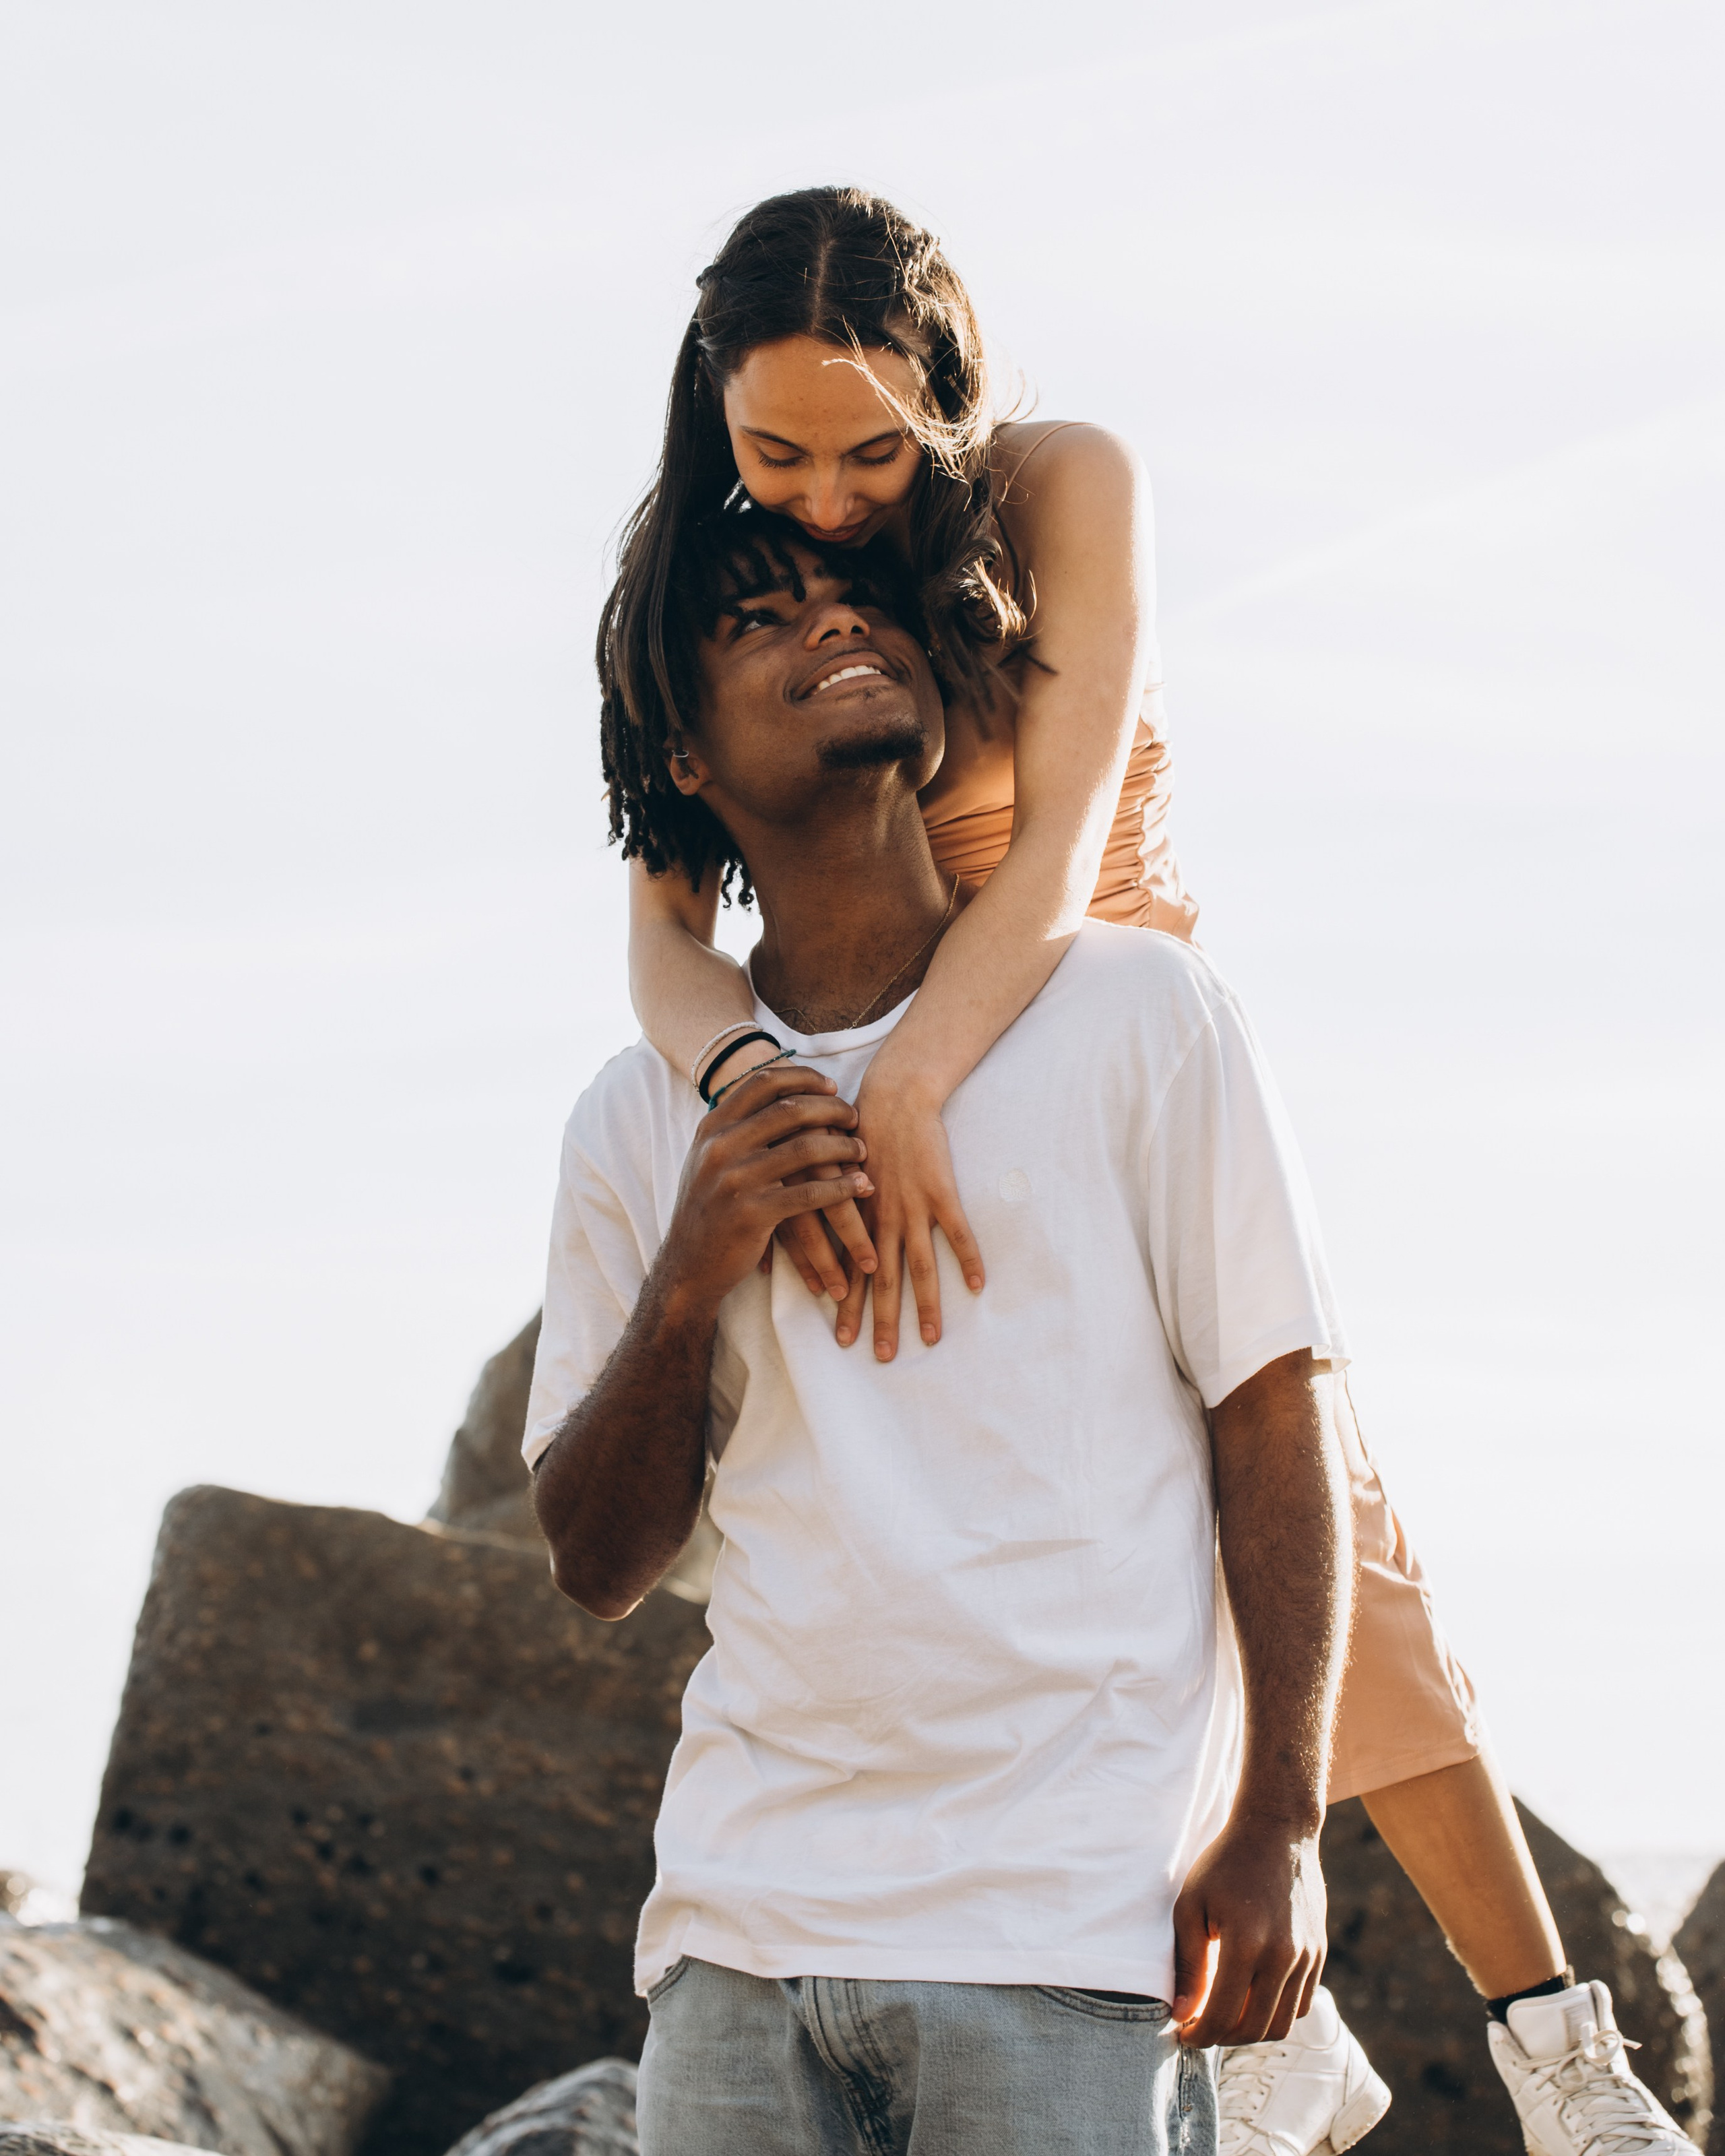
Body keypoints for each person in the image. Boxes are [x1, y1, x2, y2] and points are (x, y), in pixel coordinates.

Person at [600, 185, 1696, 2156]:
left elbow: (1067, 811)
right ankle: (1282, 2045)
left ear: (946, 395)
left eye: (872, 449)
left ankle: (1561, 2054)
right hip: (897, 1059)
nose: (831, 498)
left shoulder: (1063, 484)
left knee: (1324, 1523)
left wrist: (930, 1071)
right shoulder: (729, 574)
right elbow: (663, 937)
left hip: (1095, 1013)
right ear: (716, 414)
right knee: (1070, 1551)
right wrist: (766, 1086)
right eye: (778, 450)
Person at [528, 507, 1359, 2156]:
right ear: (682, 754)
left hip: (1067, 1931)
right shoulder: (635, 1116)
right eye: (762, 617)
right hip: (740, 1944)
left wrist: (1278, 1824)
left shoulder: (1137, 1012)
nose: (833, 623)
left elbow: (1275, 1426)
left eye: (854, 594)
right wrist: (696, 1268)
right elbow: (593, 1556)